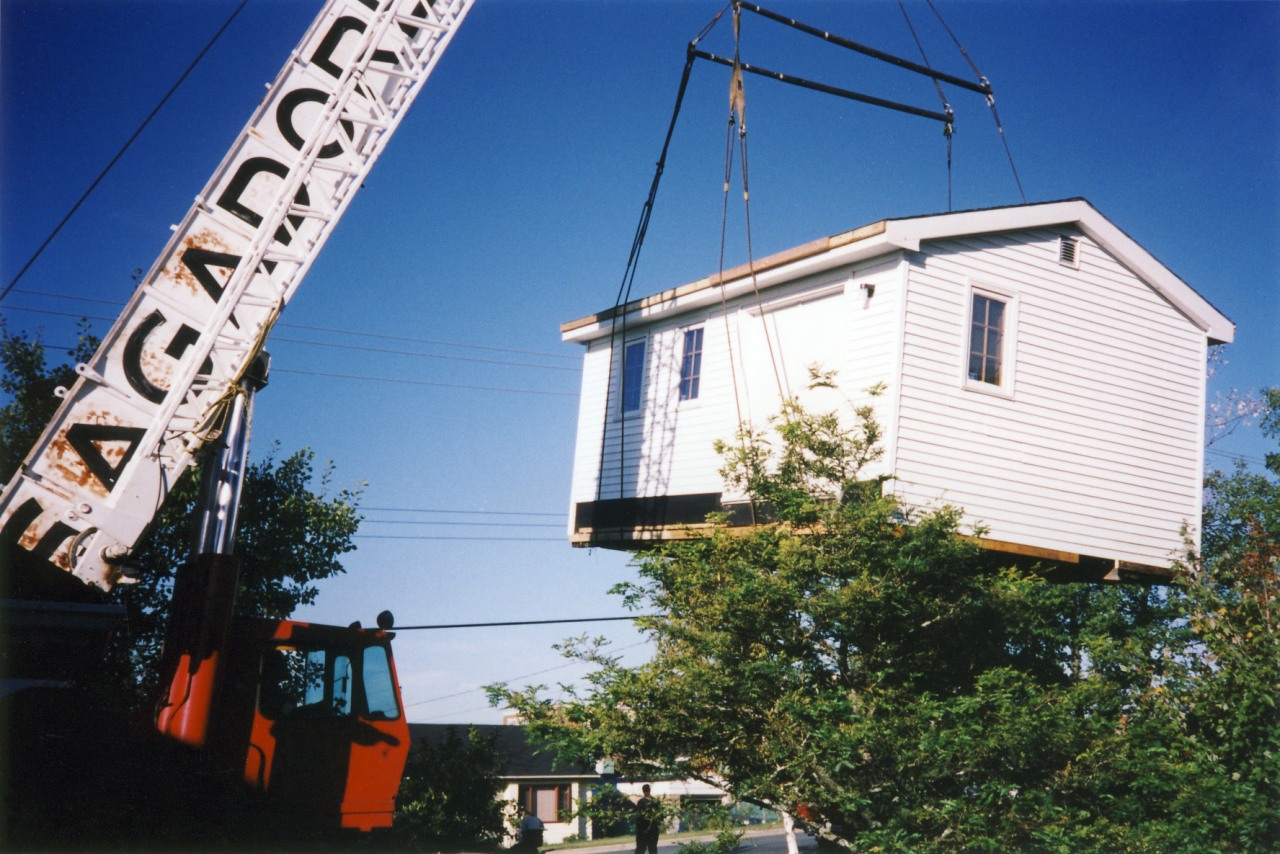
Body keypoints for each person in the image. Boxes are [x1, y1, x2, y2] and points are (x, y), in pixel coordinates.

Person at [634, 784, 660, 854]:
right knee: (652, 849)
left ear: (643, 791)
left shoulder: (641, 802)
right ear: (649, 790)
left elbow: (638, 816)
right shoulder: (655, 801)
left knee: (641, 849)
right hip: (653, 830)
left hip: (644, 831)